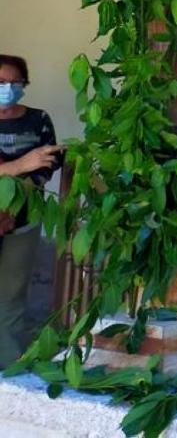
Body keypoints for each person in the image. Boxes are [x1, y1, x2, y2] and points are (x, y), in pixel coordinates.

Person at [0, 55, 62, 366]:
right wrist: (22, 164)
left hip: (23, 220)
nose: (8, 88)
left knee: (12, 293)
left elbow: (48, 165)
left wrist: (17, 191)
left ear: (25, 84)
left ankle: (8, 362)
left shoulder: (38, 119)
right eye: (1, 83)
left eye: (15, 82)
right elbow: (30, 165)